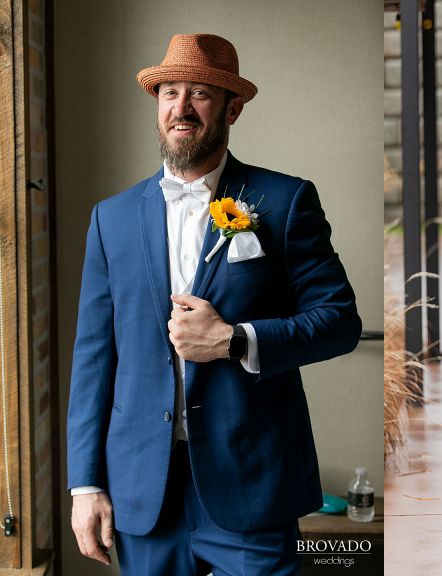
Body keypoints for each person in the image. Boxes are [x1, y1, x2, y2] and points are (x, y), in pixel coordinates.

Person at [67, 33, 361, 575]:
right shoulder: (111, 217)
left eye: (199, 93)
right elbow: (93, 357)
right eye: (169, 92)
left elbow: (340, 322)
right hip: (141, 487)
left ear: (233, 108)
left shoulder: (285, 200)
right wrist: (84, 483)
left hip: (251, 483)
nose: (181, 108)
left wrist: (235, 340)